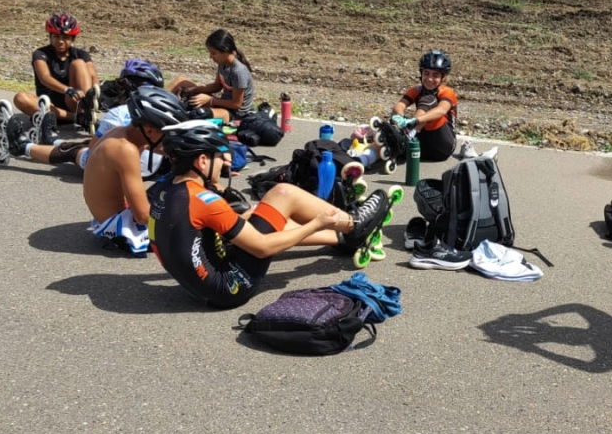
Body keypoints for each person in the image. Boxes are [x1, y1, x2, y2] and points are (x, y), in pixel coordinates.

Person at [147, 121, 395, 309]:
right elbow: (263, 248)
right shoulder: (205, 201)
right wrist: (317, 223)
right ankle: (355, 225)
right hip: (230, 288)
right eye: (218, 156)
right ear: (202, 161)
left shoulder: (163, 187)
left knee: (261, 212)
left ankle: (341, 238)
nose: (224, 163)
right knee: (283, 193)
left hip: (198, 286)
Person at [0, 59, 168, 178]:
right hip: (152, 168)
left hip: (123, 171)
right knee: (103, 142)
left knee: (75, 152)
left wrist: (81, 148)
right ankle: (53, 140)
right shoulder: (166, 109)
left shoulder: (119, 113)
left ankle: (23, 147)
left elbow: (93, 149)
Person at [82, 85, 189, 256]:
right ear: (148, 130)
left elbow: (161, 148)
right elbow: (143, 216)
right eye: (167, 133)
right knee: (189, 206)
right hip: (120, 227)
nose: (169, 138)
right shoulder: (125, 150)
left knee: (177, 183)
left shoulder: (121, 133)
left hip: (109, 216)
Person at [0, 13, 103, 133]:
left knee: (78, 63)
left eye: (65, 37)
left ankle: (87, 111)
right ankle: (78, 119)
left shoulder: (81, 54)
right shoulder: (40, 54)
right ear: (50, 37)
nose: (60, 41)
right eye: (56, 37)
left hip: (74, 103)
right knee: (20, 98)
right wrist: (67, 90)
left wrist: (96, 95)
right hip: (49, 107)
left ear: (72, 38)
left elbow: (93, 77)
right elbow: (45, 77)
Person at [166, 29, 254, 122]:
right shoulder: (223, 63)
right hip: (222, 104)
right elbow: (216, 86)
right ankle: (156, 102)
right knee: (181, 81)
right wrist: (195, 90)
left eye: (213, 53)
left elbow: (236, 104)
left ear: (225, 50)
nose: (210, 57)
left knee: (197, 115)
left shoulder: (238, 71)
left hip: (235, 114)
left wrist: (210, 100)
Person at [391, 49, 459, 162]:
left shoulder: (447, 92)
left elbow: (441, 110)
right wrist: (400, 117)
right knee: (393, 120)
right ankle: (365, 158)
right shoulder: (416, 90)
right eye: (426, 73)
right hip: (422, 144)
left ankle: (407, 135)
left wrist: (415, 121)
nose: (430, 79)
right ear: (421, 73)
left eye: (435, 75)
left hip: (443, 147)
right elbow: (400, 104)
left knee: (430, 100)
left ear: (443, 77)